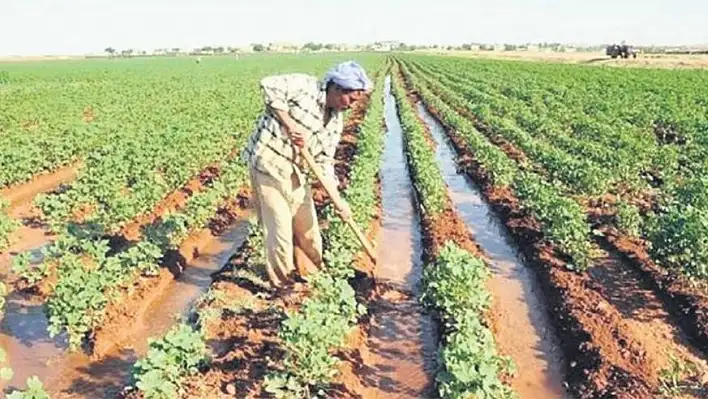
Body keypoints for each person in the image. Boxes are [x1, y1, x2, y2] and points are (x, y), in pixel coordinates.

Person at [241, 61, 371, 289]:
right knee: (280, 228)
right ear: (338, 88)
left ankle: (312, 276)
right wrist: (289, 124)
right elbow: (269, 85)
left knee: (308, 227)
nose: (351, 106)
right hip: (269, 163)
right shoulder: (305, 86)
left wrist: (338, 199)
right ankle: (284, 285)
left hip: (296, 169)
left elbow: (324, 162)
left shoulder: (335, 122)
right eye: (351, 99)